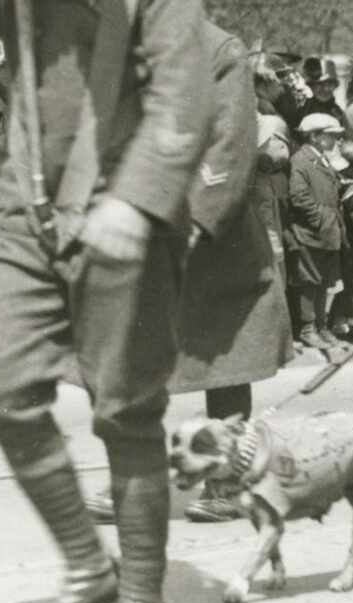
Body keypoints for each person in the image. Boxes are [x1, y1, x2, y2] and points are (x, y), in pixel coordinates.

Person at [0, 0, 211, 603]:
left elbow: (183, 98)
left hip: (118, 211)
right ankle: (88, 568)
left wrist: (137, 202)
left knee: (126, 410)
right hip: (29, 216)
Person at [88, 23, 293, 526]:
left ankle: (227, 478)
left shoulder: (218, 49)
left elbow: (231, 143)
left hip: (207, 232)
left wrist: (198, 219)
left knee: (225, 359)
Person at [289, 113, 348, 350]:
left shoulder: (321, 159)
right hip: (312, 233)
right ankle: (308, 329)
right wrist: (322, 219)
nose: (337, 140)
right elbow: (299, 197)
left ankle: (322, 327)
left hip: (326, 232)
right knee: (310, 281)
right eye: (331, 136)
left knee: (324, 282)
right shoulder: (301, 161)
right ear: (315, 137)